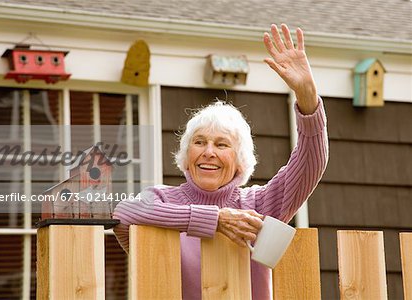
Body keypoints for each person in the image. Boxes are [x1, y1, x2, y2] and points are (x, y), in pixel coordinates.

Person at [113, 23, 329, 300]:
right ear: (187, 156)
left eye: (222, 144)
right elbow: (122, 214)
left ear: (240, 162)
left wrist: (308, 98)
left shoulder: (257, 207)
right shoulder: (161, 199)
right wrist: (215, 219)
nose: (208, 152)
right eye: (199, 142)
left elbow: (310, 164)